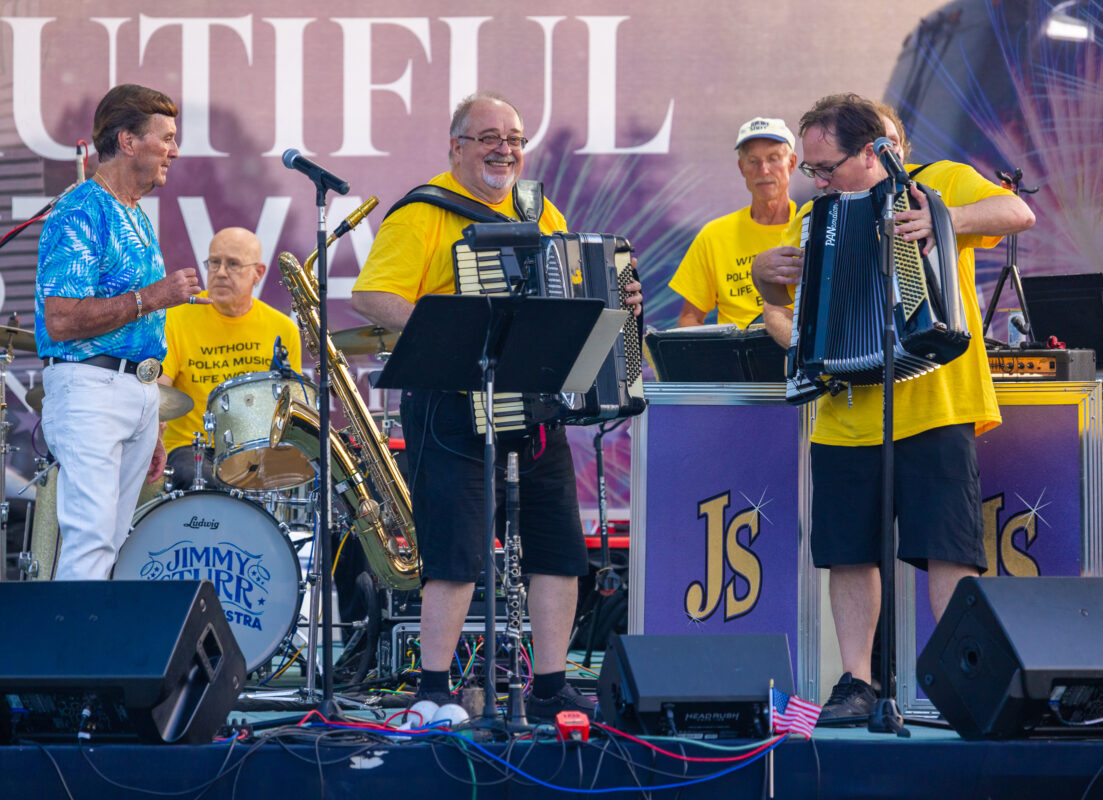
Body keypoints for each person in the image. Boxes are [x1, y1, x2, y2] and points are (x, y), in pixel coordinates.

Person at [349, 91, 643, 721]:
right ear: (456, 146)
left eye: (513, 137)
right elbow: (372, 296)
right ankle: (433, 690)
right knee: (455, 552)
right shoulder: (422, 213)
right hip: (453, 404)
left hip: (533, 406)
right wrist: (463, 335)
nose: (504, 149)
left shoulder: (540, 210)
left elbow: (576, 285)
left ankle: (549, 686)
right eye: (488, 137)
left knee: (559, 548)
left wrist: (616, 298)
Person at [751, 93, 1034, 722]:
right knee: (848, 550)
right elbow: (786, 307)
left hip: (936, 401)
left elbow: (1016, 212)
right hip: (847, 407)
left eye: (828, 167)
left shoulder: (938, 183)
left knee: (948, 546)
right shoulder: (818, 215)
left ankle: (959, 678)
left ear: (877, 149)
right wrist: (766, 273)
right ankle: (856, 683)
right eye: (814, 171)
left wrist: (944, 219)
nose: (818, 181)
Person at [35, 84, 207, 580]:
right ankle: (72, 659)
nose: (174, 150)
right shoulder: (81, 208)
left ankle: (89, 655)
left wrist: (148, 415)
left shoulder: (133, 212)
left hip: (132, 393)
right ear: (128, 141)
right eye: (167, 137)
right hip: (89, 389)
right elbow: (62, 319)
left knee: (110, 544)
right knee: (90, 542)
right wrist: (154, 297)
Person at [158, 227, 302, 490]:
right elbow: (158, 394)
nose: (220, 272)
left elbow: (290, 405)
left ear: (258, 273)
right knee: (208, 481)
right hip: (192, 447)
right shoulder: (175, 318)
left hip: (258, 449)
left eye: (233, 264)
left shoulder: (283, 329)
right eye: (214, 262)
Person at [669, 117, 797, 328]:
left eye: (773, 158)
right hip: (733, 356)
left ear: (791, 163)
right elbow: (690, 318)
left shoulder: (811, 228)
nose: (763, 170)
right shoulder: (714, 235)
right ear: (741, 167)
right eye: (753, 161)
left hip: (792, 351)